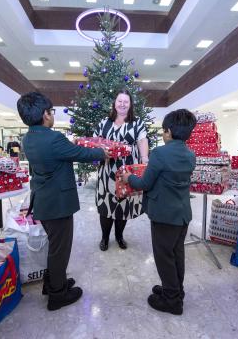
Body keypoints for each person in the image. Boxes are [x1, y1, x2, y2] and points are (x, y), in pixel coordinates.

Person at [17, 92, 109, 311]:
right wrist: (102, 151)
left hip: (43, 200)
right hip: (57, 203)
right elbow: (78, 153)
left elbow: (64, 152)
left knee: (55, 246)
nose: (52, 116)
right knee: (60, 250)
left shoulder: (28, 137)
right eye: (51, 112)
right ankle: (58, 295)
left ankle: (52, 284)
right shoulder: (52, 137)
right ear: (44, 115)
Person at [122, 109, 197, 315]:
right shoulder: (190, 155)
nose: (163, 135)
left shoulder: (160, 153)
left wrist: (128, 177)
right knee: (176, 254)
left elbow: (145, 183)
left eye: (164, 131)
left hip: (164, 215)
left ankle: (171, 301)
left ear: (170, 132)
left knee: (164, 256)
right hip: (182, 214)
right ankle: (175, 290)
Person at [94, 89, 149, 251]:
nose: (123, 104)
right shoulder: (104, 122)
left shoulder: (137, 122)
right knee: (106, 206)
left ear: (130, 104)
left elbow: (142, 140)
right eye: (120, 101)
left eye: (126, 101)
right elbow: (96, 141)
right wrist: (96, 155)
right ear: (115, 103)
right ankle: (104, 238)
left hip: (127, 171)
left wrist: (145, 158)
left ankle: (119, 236)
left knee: (123, 205)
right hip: (107, 171)